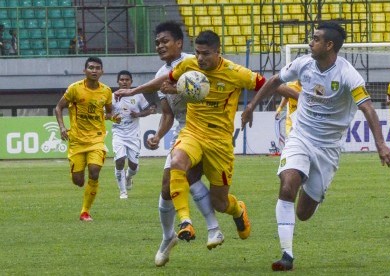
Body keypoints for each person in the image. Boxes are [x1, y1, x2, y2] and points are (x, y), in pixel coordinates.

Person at [115, 29, 298, 254]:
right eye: (198, 53)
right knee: (177, 163)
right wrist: (134, 90)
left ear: (218, 52)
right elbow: (164, 80)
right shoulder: (188, 65)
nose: (201, 58)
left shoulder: (235, 72)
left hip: (219, 142)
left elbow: (270, 84)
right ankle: (185, 221)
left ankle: (238, 210)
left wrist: (302, 97)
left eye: (206, 54)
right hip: (192, 132)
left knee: (220, 203)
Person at [241, 21, 390, 271]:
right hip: (300, 136)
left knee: (303, 213)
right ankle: (287, 255)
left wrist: (380, 144)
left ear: (329, 45)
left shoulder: (348, 75)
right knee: (288, 183)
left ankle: (311, 189)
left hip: (328, 148)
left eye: (315, 38)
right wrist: (250, 106)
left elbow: (367, 107)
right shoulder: (303, 64)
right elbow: (273, 81)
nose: (310, 42)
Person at [144, 22, 223, 267]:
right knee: (167, 187)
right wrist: (158, 135)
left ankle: (212, 227)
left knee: (190, 176)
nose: (160, 45)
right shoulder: (160, 76)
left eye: (165, 40)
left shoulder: (197, 62)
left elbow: (219, 85)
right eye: (157, 42)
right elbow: (167, 113)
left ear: (179, 42)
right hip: (183, 131)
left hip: (209, 130)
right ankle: (169, 236)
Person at [55, 56, 119, 222]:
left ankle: (85, 211)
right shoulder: (74, 89)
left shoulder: (106, 91)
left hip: (96, 139)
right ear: (85, 71)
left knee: (94, 171)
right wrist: (62, 127)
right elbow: (58, 107)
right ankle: (79, 179)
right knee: (78, 181)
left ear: (102, 72)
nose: (94, 70)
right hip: (76, 141)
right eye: (91, 67)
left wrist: (113, 117)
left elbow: (109, 112)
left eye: (97, 68)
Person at [111, 70, 155, 199]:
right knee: (119, 160)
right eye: (122, 80)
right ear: (118, 81)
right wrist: (113, 118)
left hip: (133, 135)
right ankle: (123, 192)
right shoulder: (112, 96)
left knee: (133, 166)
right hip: (118, 133)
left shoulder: (138, 96)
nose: (124, 82)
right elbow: (105, 114)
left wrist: (138, 114)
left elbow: (150, 110)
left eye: (127, 80)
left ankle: (129, 177)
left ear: (131, 82)